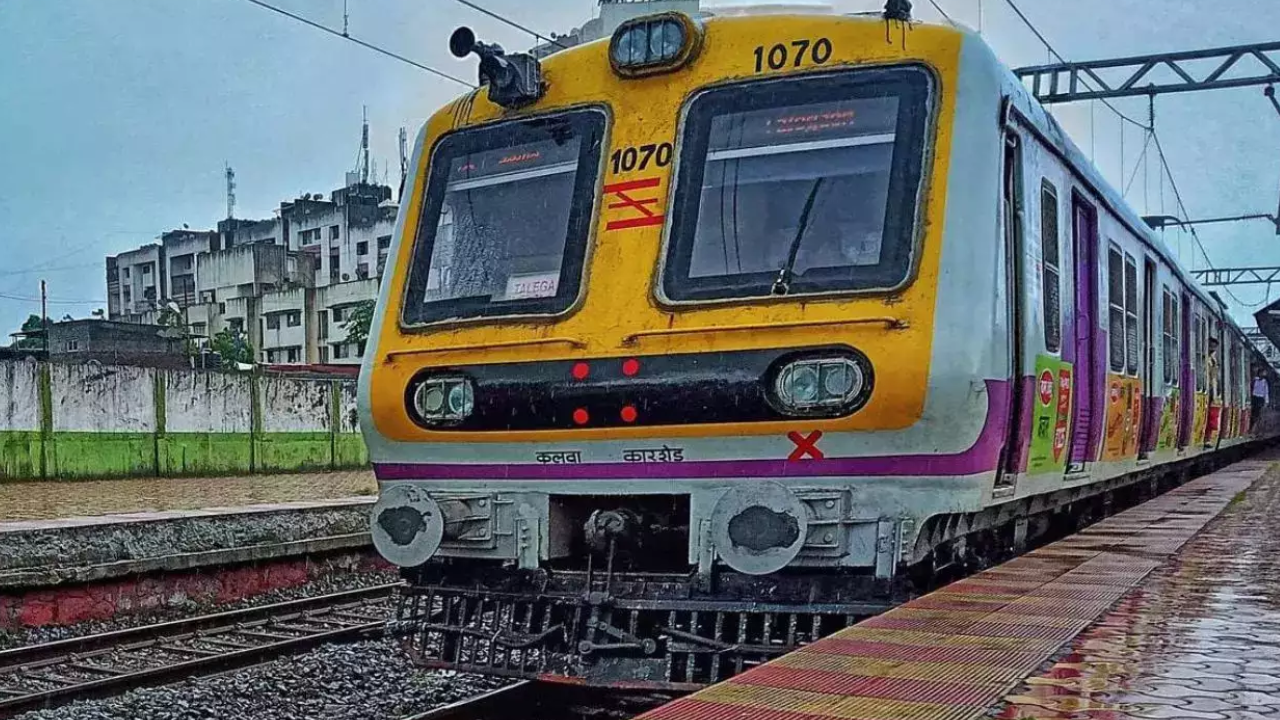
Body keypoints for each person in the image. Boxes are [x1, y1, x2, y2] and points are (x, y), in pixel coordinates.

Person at [1252, 368, 1269, 433]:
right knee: (1254, 413)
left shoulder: (1265, 382)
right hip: (1254, 398)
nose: (1262, 374)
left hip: (1260, 399)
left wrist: (1266, 401)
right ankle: (1254, 428)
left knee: (1258, 414)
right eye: (1261, 373)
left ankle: (1256, 428)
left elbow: (1266, 392)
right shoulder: (1254, 380)